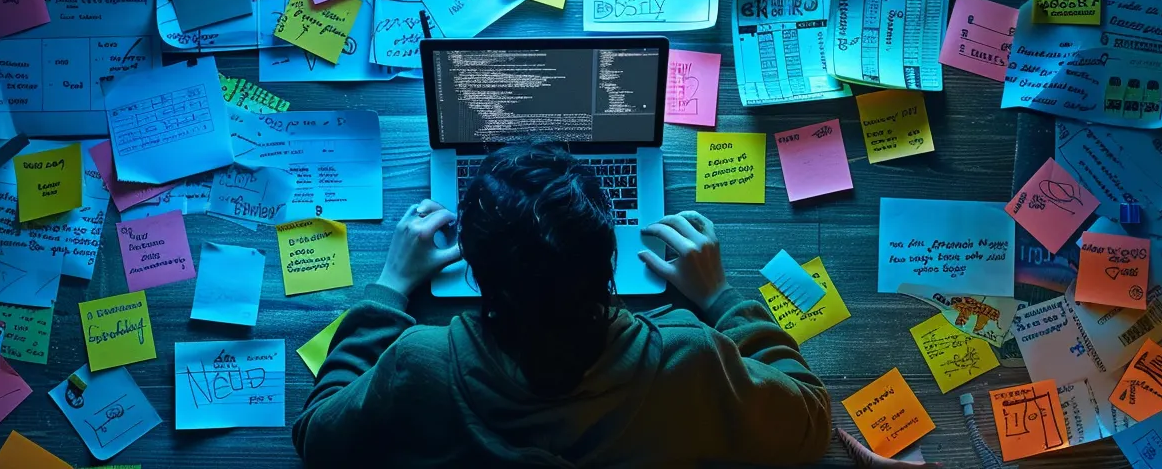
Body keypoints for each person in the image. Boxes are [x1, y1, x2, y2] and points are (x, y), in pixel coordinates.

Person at [293, 142, 936, 467]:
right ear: (610, 265)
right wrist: (720, 297)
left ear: (478, 274)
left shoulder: (415, 366)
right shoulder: (689, 356)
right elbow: (811, 421)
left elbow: (315, 436)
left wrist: (387, 291)